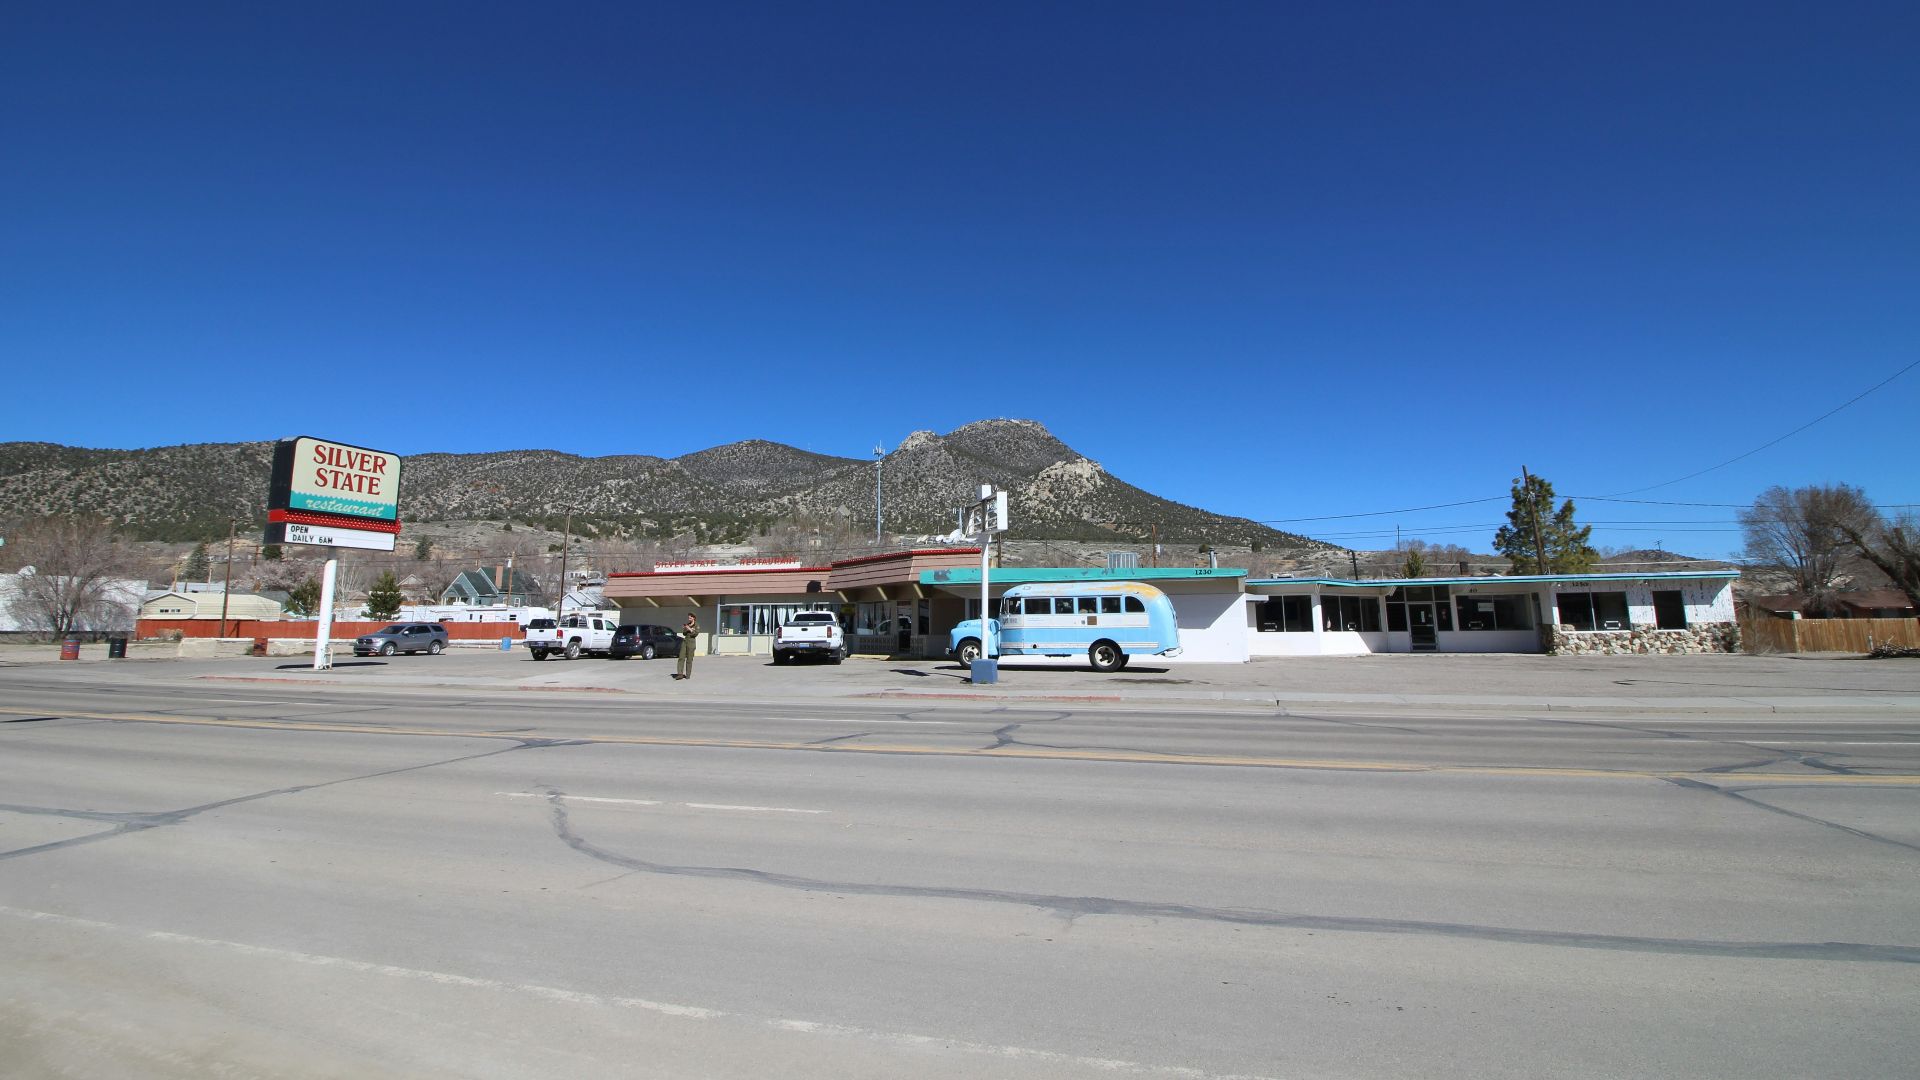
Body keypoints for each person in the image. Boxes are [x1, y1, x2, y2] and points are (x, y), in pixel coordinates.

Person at [674, 613, 699, 680]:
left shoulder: (696, 625)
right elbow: (684, 633)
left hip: (691, 642)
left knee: (689, 659)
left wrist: (689, 629)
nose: (689, 619)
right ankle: (680, 674)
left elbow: (696, 634)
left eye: (690, 618)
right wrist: (685, 628)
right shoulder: (688, 624)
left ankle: (688, 675)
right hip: (685, 641)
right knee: (681, 657)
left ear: (693, 618)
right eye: (688, 617)